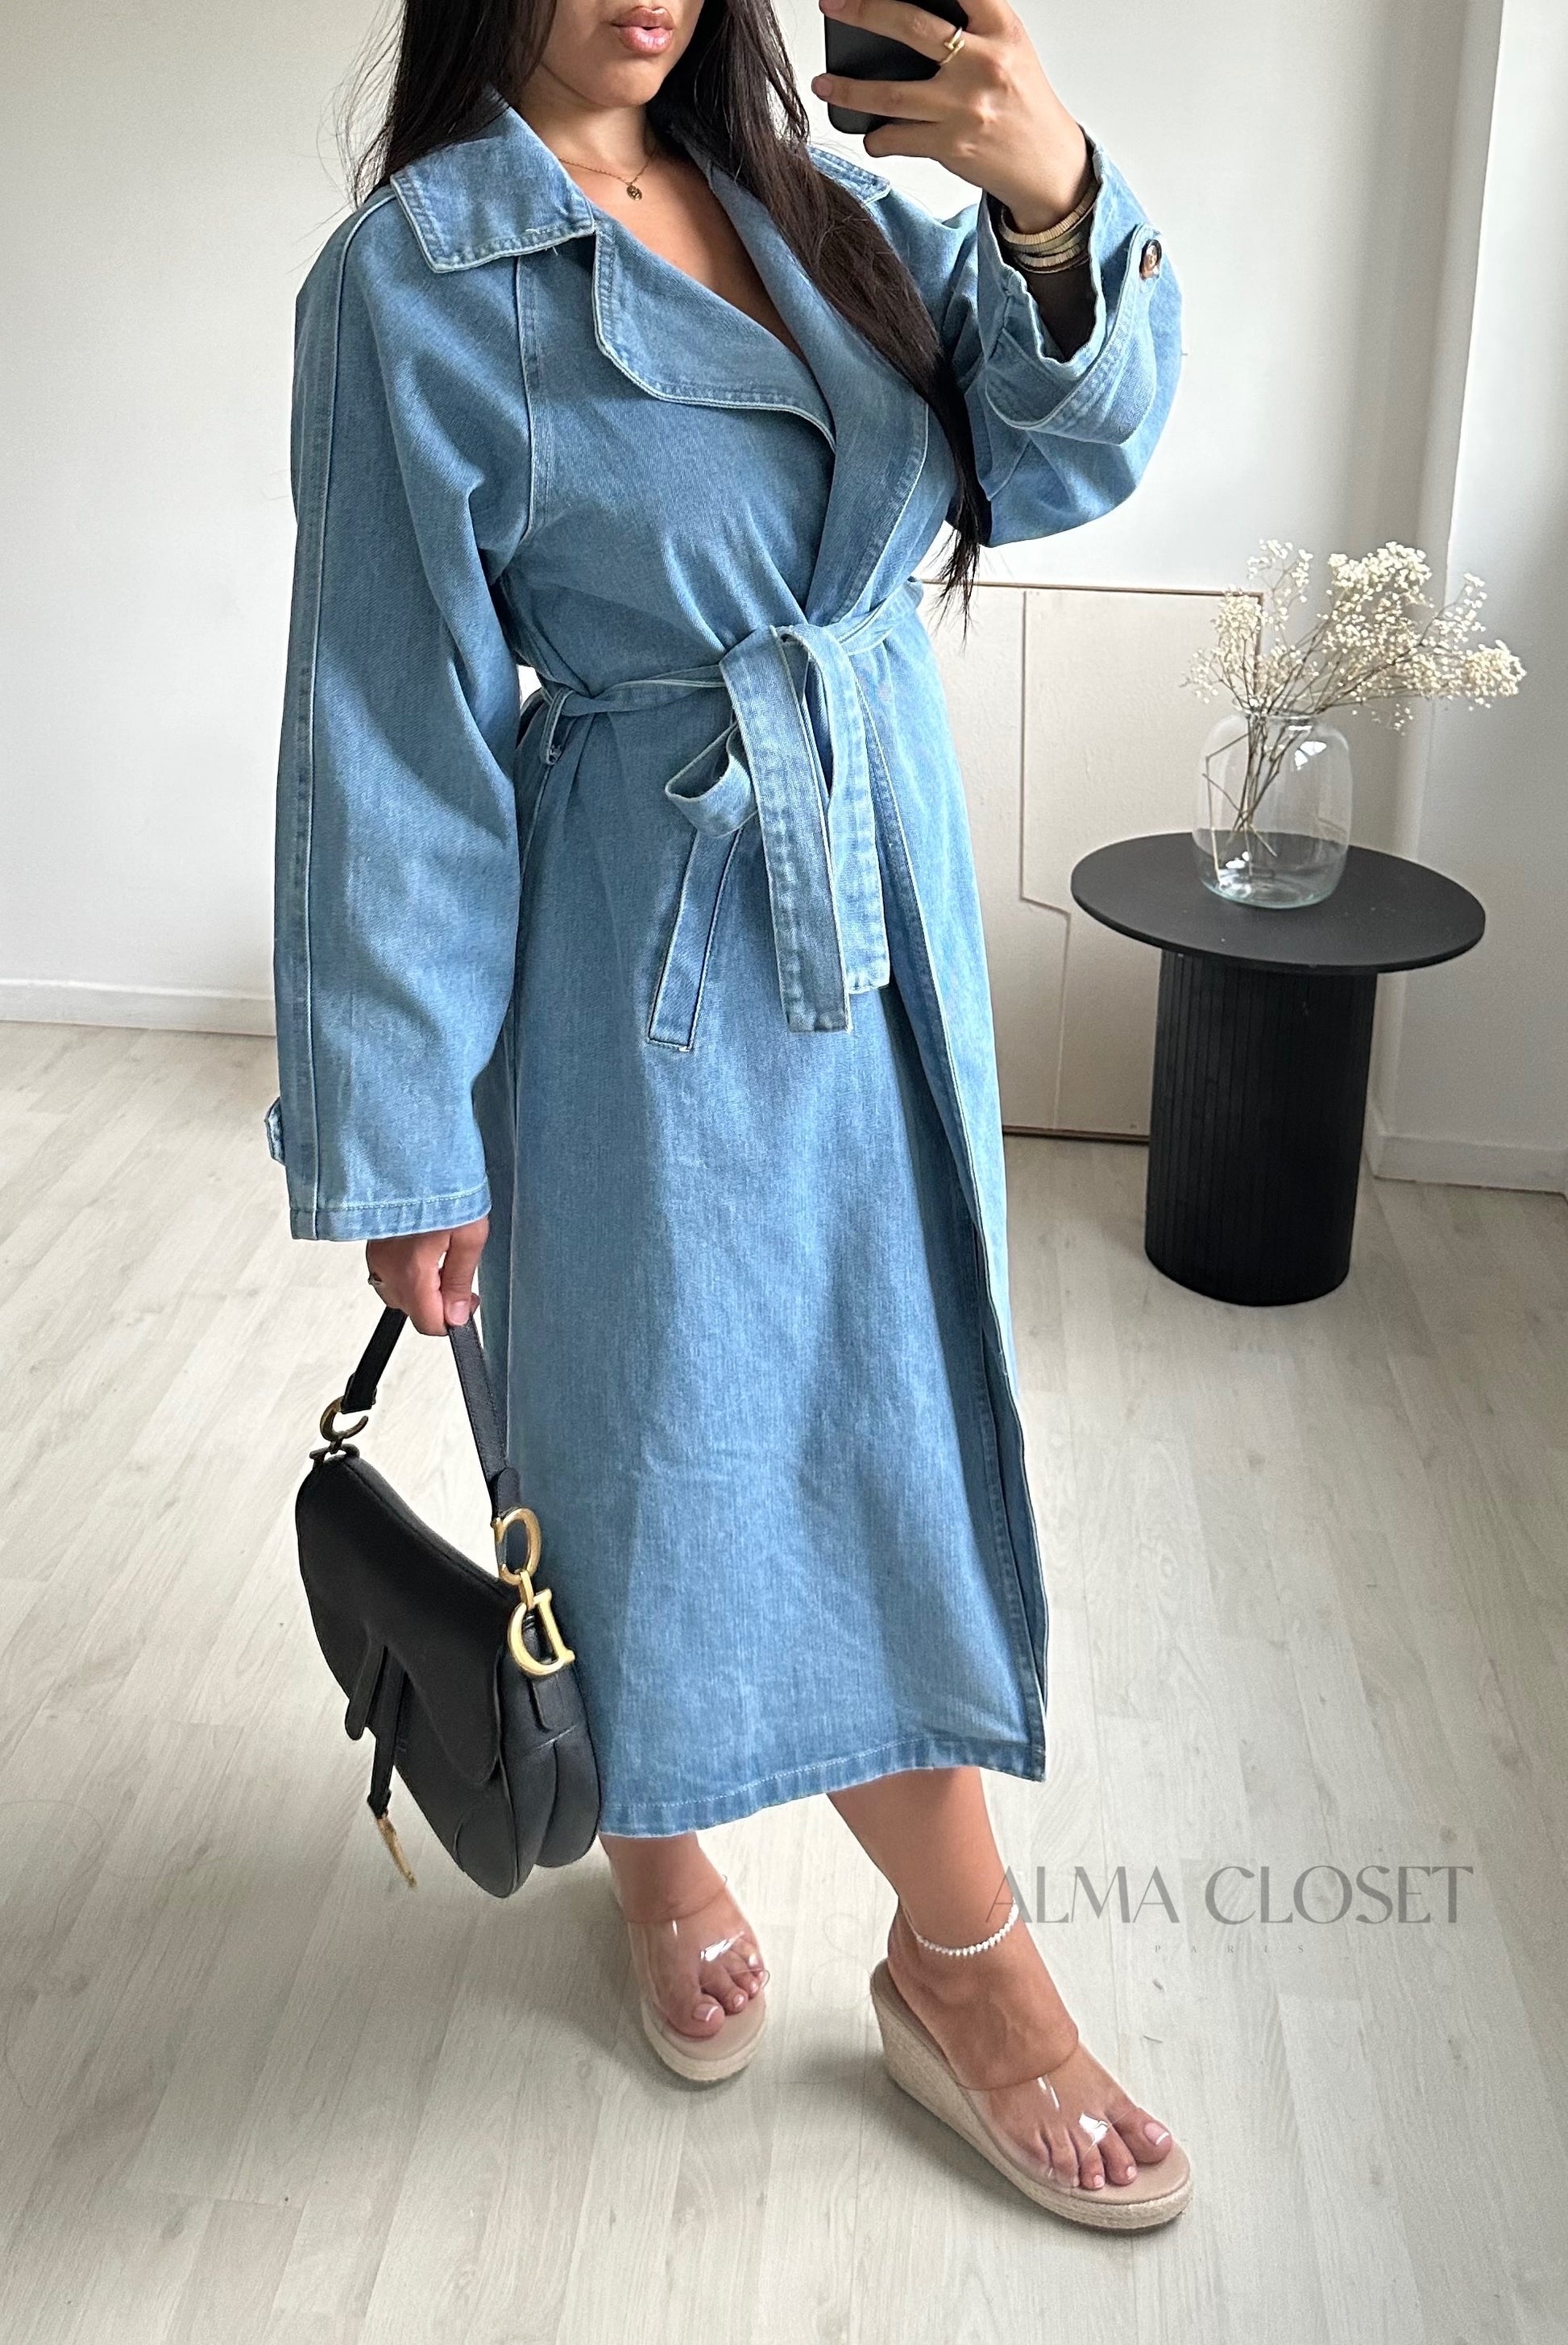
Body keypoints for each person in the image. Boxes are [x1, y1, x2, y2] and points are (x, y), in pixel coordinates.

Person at [267, 0, 1188, 2229]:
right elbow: (389, 724)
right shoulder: (418, 280)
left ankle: (855, 1914)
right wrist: (403, 1132)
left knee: (869, 1413)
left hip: (879, 901)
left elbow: (1062, 459)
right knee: (654, 1424)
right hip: (639, 951)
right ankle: (893, 1930)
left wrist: (1047, 200)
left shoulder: (824, 202)